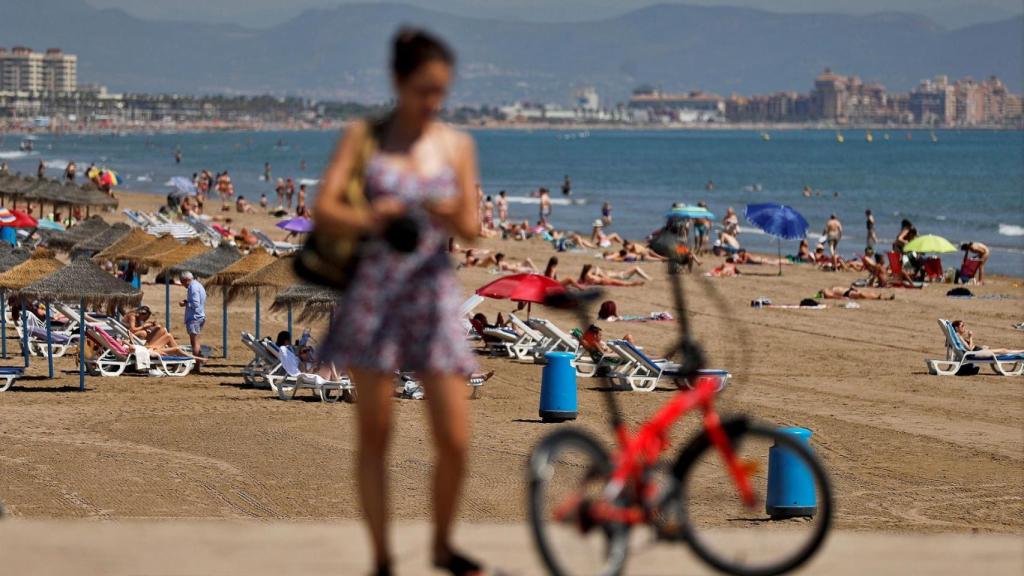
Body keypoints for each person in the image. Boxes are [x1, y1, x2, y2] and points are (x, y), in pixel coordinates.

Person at [312, 29, 483, 576]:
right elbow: (325, 209)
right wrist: (373, 216)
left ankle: (440, 544)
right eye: (423, 89)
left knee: (455, 438)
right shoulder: (365, 137)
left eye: (440, 91)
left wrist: (444, 205)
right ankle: (383, 556)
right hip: (375, 291)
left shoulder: (455, 146)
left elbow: (474, 228)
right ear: (398, 82)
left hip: (431, 294)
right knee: (375, 434)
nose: (432, 101)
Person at [178, 272, 206, 366]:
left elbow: (195, 304)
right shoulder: (198, 285)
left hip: (194, 317)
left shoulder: (192, 287)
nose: (183, 285)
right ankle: (199, 361)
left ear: (186, 280)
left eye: (182, 282)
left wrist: (185, 303)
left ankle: (197, 365)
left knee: (194, 342)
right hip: (199, 316)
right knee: (196, 341)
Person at [951, 320, 1023, 355]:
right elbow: (969, 349)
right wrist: (970, 337)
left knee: (995, 350)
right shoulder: (959, 337)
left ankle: (1021, 351)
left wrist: (982, 347)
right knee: (1003, 350)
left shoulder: (957, 336)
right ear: (957, 328)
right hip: (976, 352)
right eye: (962, 326)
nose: (964, 327)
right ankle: (1022, 351)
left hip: (977, 350)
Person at [818, 286, 894, 300]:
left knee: (863, 293)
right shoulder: (825, 291)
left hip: (848, 291)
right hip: (846, 294)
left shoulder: (830, 288)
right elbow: (831, 296)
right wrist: (842, 298)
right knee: (861, 295)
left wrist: (852, 288)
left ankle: (878, 296)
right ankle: (878, 297)